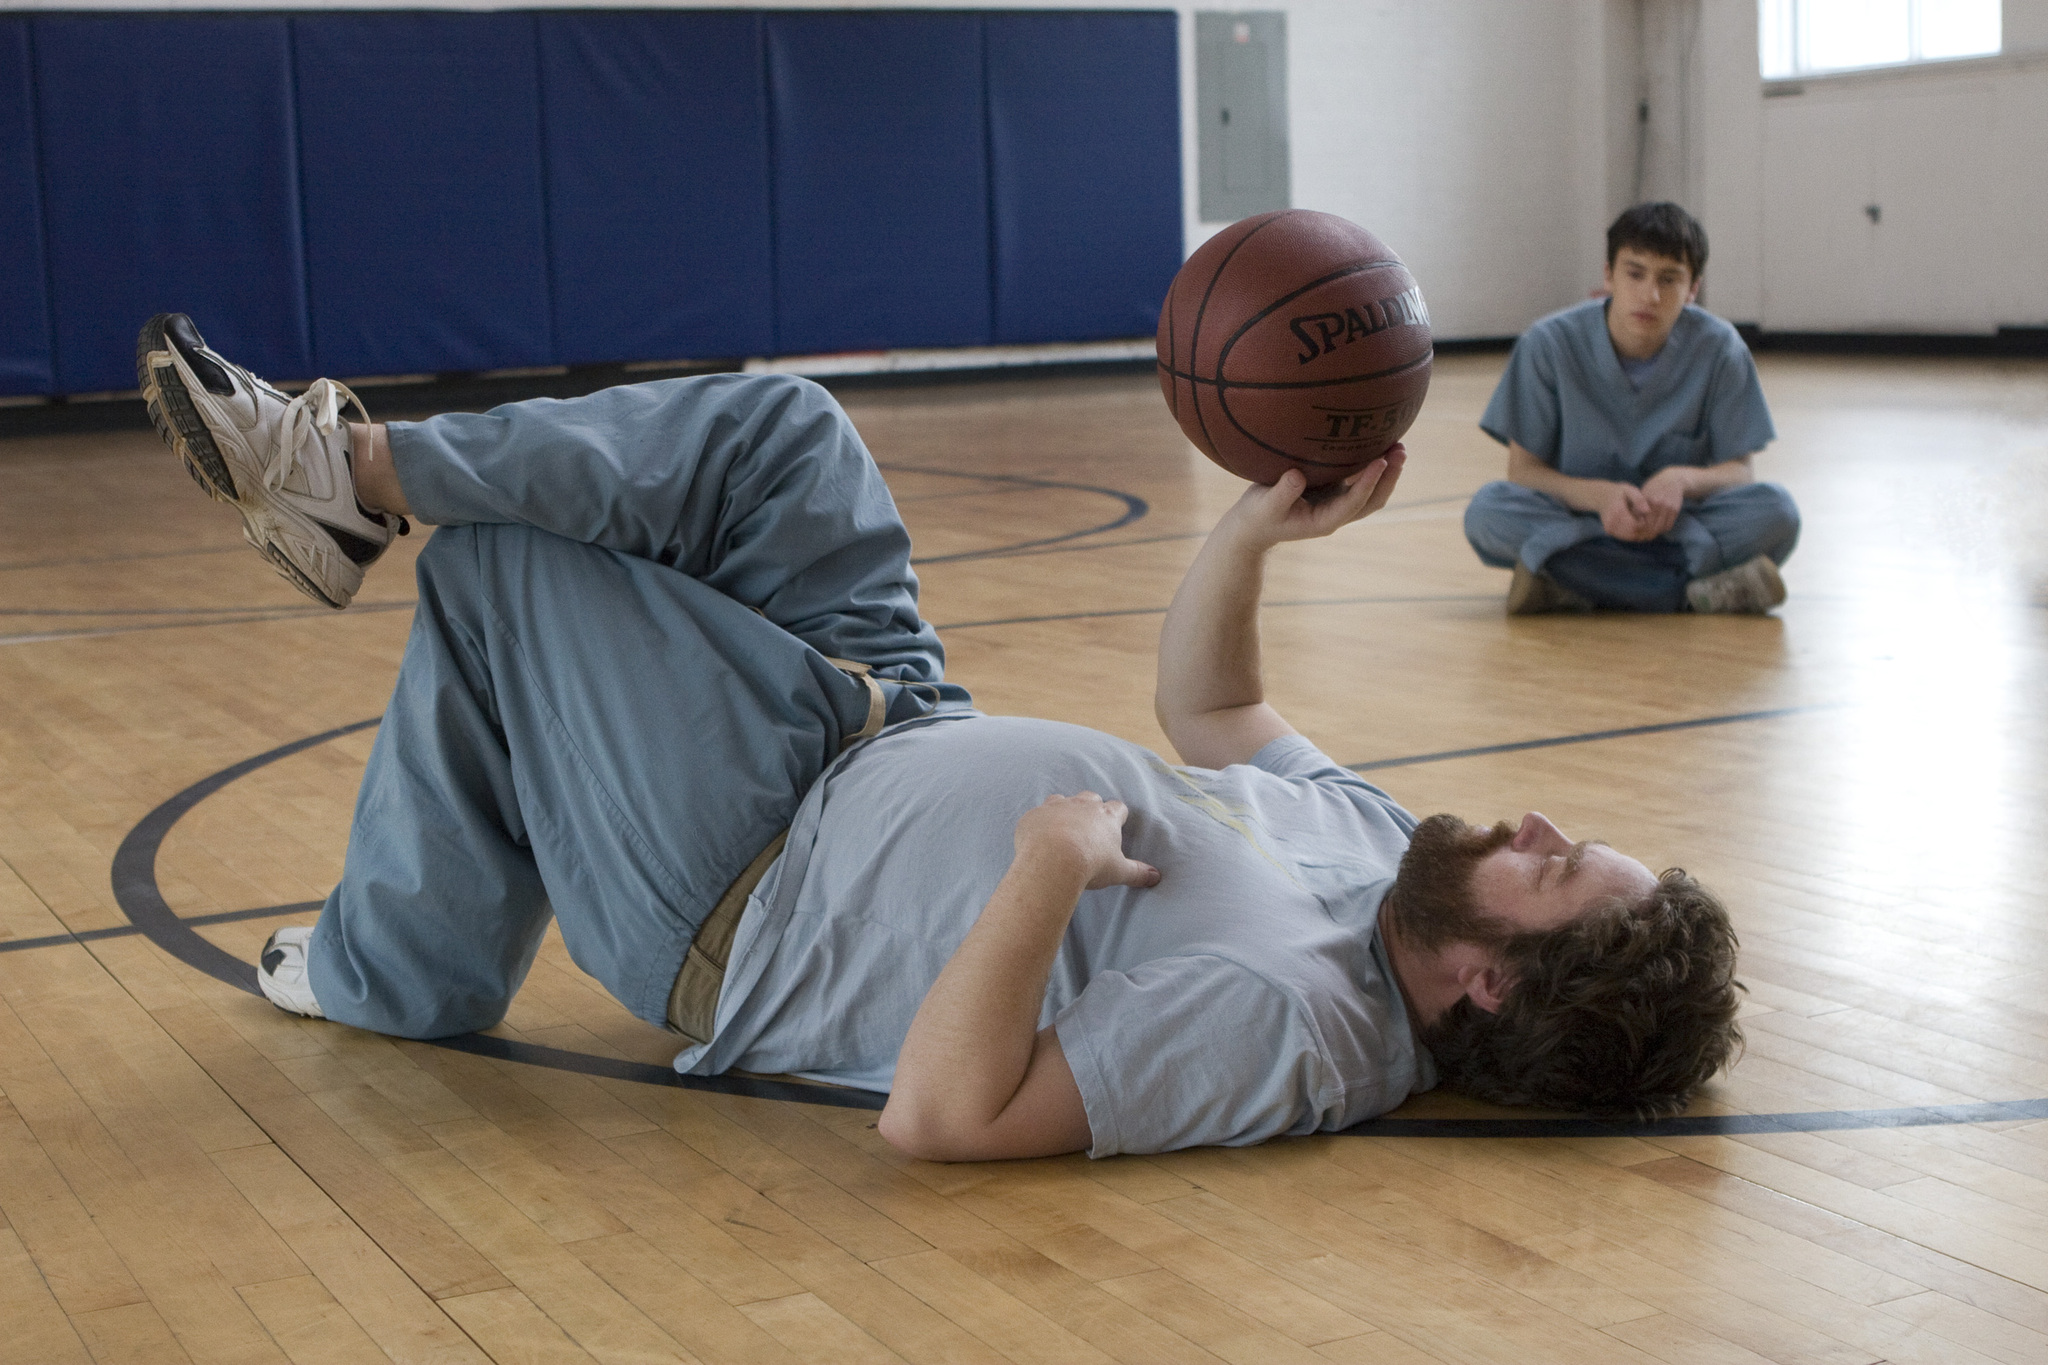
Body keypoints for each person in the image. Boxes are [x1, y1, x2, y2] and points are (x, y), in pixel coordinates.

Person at [138, 312, 1744, 1161]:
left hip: (741, 889)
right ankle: (337, 482)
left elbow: (947, 1119)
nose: (1532, 827)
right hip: (876, 726)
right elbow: (1219, 712)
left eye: (1556, 871)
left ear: (1491, 985)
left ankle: (389, 969)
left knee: (504, 565)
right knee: (787, 432)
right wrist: (1260, 534)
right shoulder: (1389, 861)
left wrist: (1046, 869)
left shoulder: (1299, 1034)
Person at [1464, 202, 1800, 615]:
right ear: (1608, 275)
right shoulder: (1548, 345)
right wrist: (1600, 498)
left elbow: (1740, 471)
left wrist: (1681, 480)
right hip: (1581, 521)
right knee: (1488, 511)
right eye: (1635, 273)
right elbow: (1524, 471)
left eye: (1669, 279)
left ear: (1693, 287)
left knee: (1777, 511)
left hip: (1677, 528)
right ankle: (1687, 594)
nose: (1650, 295)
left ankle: (1571, 585)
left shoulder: (1720, 350)